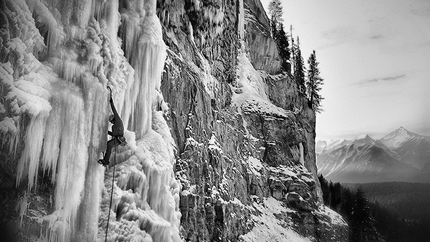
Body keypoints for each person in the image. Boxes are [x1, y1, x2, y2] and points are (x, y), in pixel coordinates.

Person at [98, 86, 127, 167]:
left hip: (119, 139)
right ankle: (106, 160)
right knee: (109, 145)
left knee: (109, 145)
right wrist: (106, 132)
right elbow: (114, 135)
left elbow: (114, 110)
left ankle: (106, 161)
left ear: (113, 118)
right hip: (118, 139)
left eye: (111, 120)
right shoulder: (116, 125)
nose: (110, 122)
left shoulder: (118, 120)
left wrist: (111, 100)